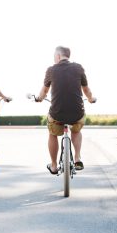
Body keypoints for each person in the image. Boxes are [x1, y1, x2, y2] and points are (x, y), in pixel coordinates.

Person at [35, 46, 96, 174]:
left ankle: (53, 165)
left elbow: (44, 91)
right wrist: (91, 99)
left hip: (57, 115)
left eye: (54, 56)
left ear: (58, 56)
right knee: (76, 130)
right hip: (77, 113)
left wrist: (39, 98)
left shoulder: (51, 70)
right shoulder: (78, 68)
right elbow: (86, 90)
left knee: (52, 134)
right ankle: (77, 158)